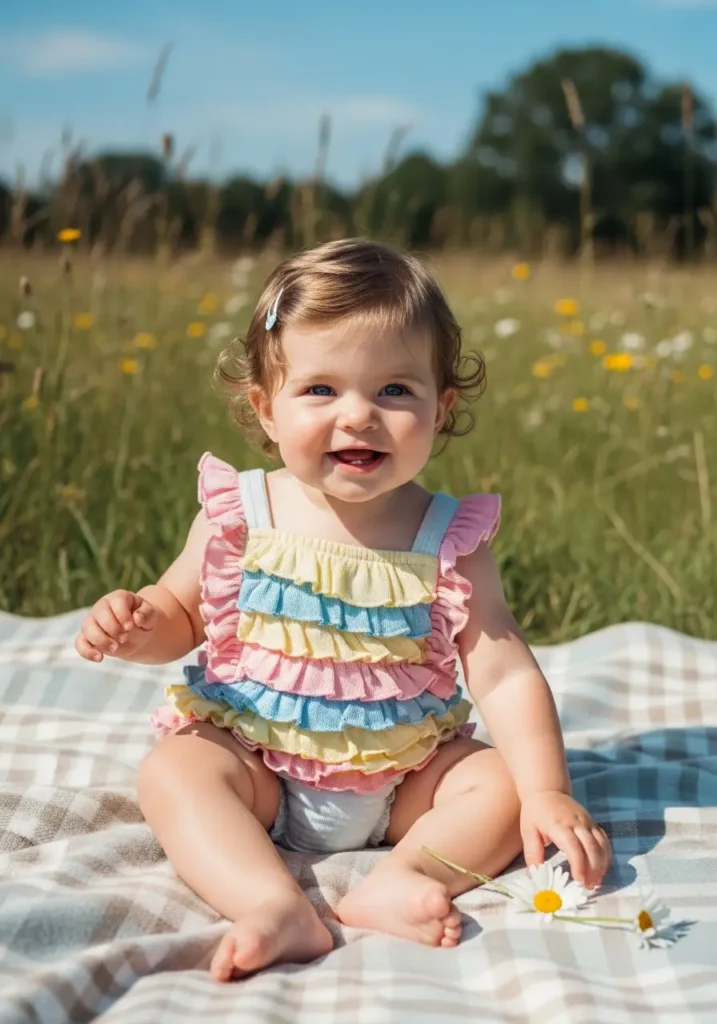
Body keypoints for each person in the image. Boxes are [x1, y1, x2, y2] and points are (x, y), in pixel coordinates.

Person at [75, 238, 611, 982]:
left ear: (440, 407)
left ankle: (404, 876)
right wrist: (137, 627)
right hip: (259, 757)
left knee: (495, 784)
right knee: (174, 771)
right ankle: (272, 903)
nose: (357, 416)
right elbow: (179, 613)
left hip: (404, 776)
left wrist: (546, 787)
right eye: (320, 390)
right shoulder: (243, 512)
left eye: (394, 390)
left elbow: (503, 672)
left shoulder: (446, 536)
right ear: (265, 409)